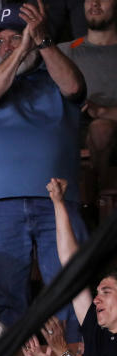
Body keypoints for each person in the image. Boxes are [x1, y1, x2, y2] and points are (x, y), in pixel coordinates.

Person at [0, 1, 88, 342]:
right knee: (7, 299)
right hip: (1, 205)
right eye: (2, 41)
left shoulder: (55, 72)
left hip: (58, 201)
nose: (8, 46)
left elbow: (74, 88)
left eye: (17, 37)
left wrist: (42, 43)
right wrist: (21, 47)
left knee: (70, 289)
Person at [48, 177, 117, 356]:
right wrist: (58, 204)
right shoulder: (98, 333)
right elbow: (71, 265)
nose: (97, 299)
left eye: (107, 292)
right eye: (97, 292)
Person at [60, 0, 117, 215]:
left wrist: (102, 111)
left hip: (110, 134)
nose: (94, 3)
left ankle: (92, 207)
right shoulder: (65, 51)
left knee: (101, 128)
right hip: (70, 131)